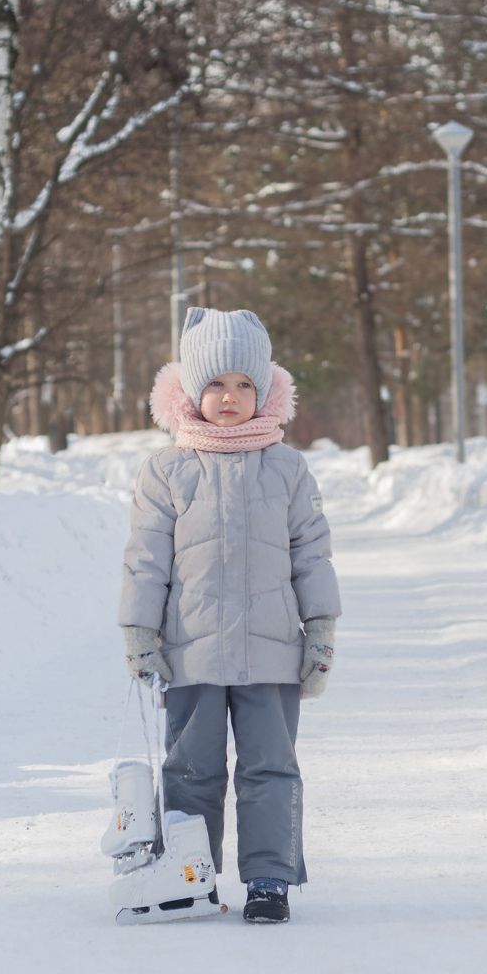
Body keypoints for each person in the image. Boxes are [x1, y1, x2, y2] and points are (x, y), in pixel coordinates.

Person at [118, 307, 341, 923]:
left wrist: (321, 630)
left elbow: (312, 555)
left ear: (264, 390)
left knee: (271, 767)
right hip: (191, 651)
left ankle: (270, 878)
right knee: (191, 768)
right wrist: (139, 631)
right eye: (216, 383)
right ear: (191, 390)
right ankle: (189, 874)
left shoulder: (288, 468)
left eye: (245, 384)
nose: (230, 397)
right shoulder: (166, 469)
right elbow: (145, 560)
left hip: (272, 651)